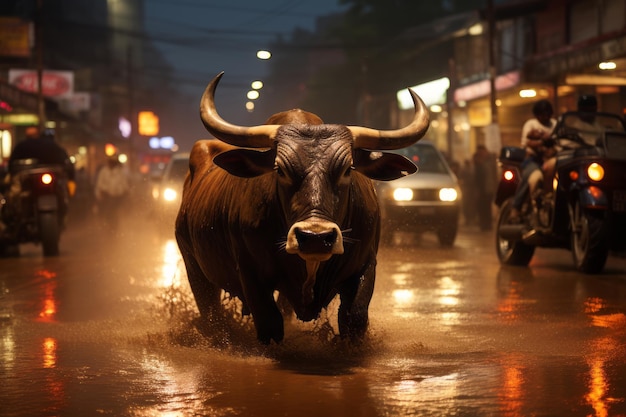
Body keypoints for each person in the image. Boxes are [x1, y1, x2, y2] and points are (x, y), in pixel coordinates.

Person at [509, 99, 557, 221]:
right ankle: (516, 207)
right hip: (533, 160)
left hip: (552, 159)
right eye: (542, 114)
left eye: (547, 113)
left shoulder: (555, 124)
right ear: (537, 115)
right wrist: (542, 143)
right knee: (534, 177)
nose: (545, 116)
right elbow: (527, 142)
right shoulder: (531, 124)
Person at [94, 155, 130, 231]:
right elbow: (99, 184)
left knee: (115, 213)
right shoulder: (103, 171)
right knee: (107, 214)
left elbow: (124, 184)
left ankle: (115, 228)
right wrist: (100, 195)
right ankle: (107, 227)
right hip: (106, 197)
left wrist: (125, 193)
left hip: (117, 197)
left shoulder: (120, 172)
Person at [472, 144, 498, 230]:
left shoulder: (489, 161)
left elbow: (493, 175)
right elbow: (476, 176)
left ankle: (487, 224)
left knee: (487, 207)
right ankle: (483, 224)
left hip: (488, 188)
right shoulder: (477, 161)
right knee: (481, 207)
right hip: (480, 188)